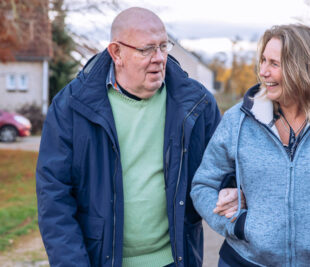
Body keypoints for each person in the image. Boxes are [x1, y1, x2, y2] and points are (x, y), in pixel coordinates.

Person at [36, 7, 243, 267]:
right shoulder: (71, 106)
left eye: (163, 46)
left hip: (175, 260)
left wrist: (234, 188)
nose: (159, 58)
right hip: (101, 261)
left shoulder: (196, 103)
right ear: (116, 53)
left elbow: (225, 167)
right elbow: (54, 199)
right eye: (146, 50)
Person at [191, 24, 310, 267]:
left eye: (274, 64)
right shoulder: (237, 120)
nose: (263, 72)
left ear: (304, 68)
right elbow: (202, 185)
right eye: (262, 61)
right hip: (244, 261)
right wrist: (239, 225)